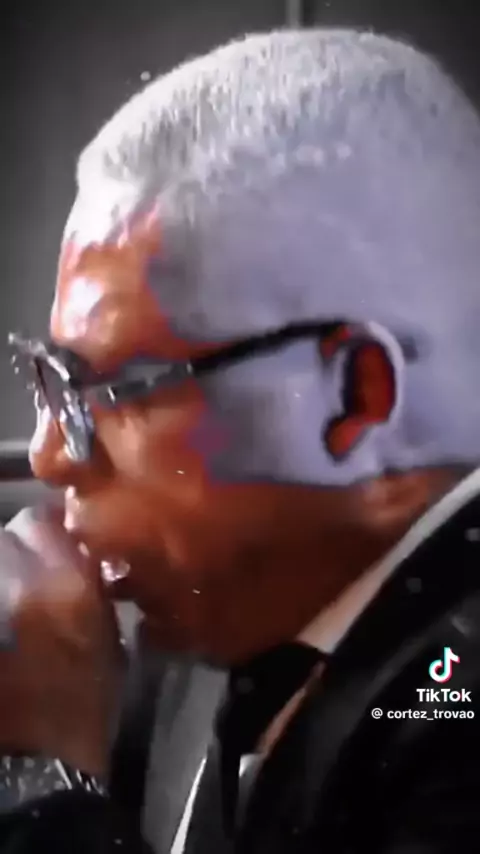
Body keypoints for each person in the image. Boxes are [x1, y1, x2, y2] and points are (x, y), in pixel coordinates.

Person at [1, 26, 480, 854]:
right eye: (49, 382)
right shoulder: (204, 616)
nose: (50, 455)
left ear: (353, 399)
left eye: (109, 393)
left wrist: (46, 778)